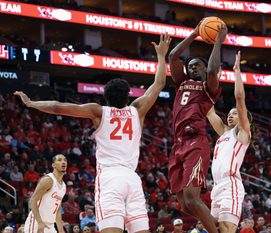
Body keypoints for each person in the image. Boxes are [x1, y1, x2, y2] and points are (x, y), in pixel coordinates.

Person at [15, 34, 172, 233]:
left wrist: (31, 103)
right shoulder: (137, 110)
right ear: (127, 96)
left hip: (109, 178)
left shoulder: (99, 111)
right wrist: (161, 56)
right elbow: (158, 85)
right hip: (132, 178)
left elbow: (57, 107)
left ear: (105, 97)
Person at [168, 20, 227, 233]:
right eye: (190, 65)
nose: (192, 67)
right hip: (178, 144)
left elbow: (213, 71)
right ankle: (215, 225)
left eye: (196, 65)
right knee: (184, 204)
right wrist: (194, 33)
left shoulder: (209, 88)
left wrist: (218, 41)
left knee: (193, 199)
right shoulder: (181, 82)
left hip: (195, 142)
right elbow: (173, 57)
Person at [207, 52, 253, 233]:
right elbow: (210, 112)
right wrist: (212, 81)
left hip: (231, 184)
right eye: (230, 113)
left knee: (227, 229)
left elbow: (240, 99)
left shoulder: (242, 134)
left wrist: (236, 72)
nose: (230, 115)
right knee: (215, 229)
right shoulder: (224, 132)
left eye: (235, 113)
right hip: (217, 186)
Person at [23, 154, 67, 233]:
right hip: (37, 223)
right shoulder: (48, 180)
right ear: (53, 165)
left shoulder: (63, 186)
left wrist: (61, 229)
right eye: (59, 160)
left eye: (65, 160)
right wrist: (39, 222)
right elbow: (32, 201)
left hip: (50, 225)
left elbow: (57, 209)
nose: (63, 162)